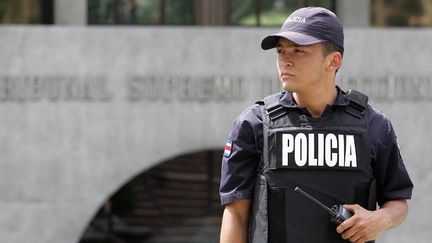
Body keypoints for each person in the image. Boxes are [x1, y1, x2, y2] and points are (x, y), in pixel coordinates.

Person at [219, 6, 413, 243]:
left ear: (333, 61)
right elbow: (236, 215)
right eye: (281, 51)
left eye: (299, 51)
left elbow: (398, 201)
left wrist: (380, 219)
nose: (285, 61)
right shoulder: (254, 124)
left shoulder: (374, 126)